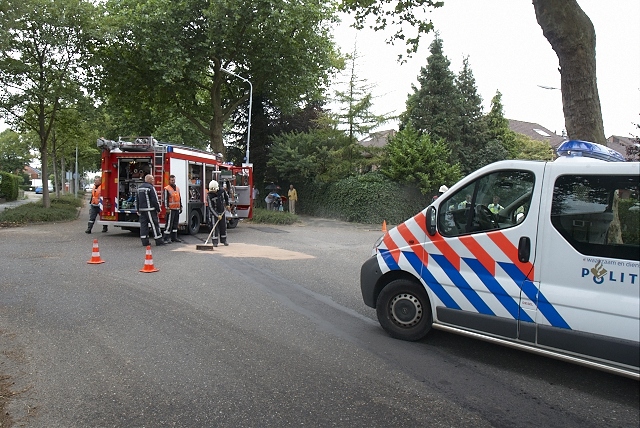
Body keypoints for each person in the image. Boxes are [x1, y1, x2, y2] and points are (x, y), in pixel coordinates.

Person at [137, 174, 165, 246]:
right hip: (150, 210)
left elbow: (137, 200)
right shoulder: (150, 188)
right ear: (148, 180)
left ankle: (145, 241)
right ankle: (158, 241)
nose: (153, 180)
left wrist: (137, 210)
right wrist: (158, 209)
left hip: (142, 210)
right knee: (154, 224)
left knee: (143, 225)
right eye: (152, 179)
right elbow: (154, 199)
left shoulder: (139, 188)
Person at [163, 174, 183, 244]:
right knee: (169, 224)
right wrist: (167, 208)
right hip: (170, 209)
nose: (173, 181)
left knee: (175, 224)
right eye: (172, 180)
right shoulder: (167, 189)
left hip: (176, 208)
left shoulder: (177, 188)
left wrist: (181, 206)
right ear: (169, 180)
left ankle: (174, 237)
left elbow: (179, 198)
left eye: (174, 180)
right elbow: (165, 199)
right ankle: (166, 238)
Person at [206, 180, 228, 246]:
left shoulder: (222, 191)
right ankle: (215, 242)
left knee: (223, 226)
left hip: (222, 211)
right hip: (214, 213)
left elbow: (226, 198)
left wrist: (228, 205)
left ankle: (224, 240)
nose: (213, 192)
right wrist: (217, 215)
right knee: (214, 227)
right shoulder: (209, 196)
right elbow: (210, 207)